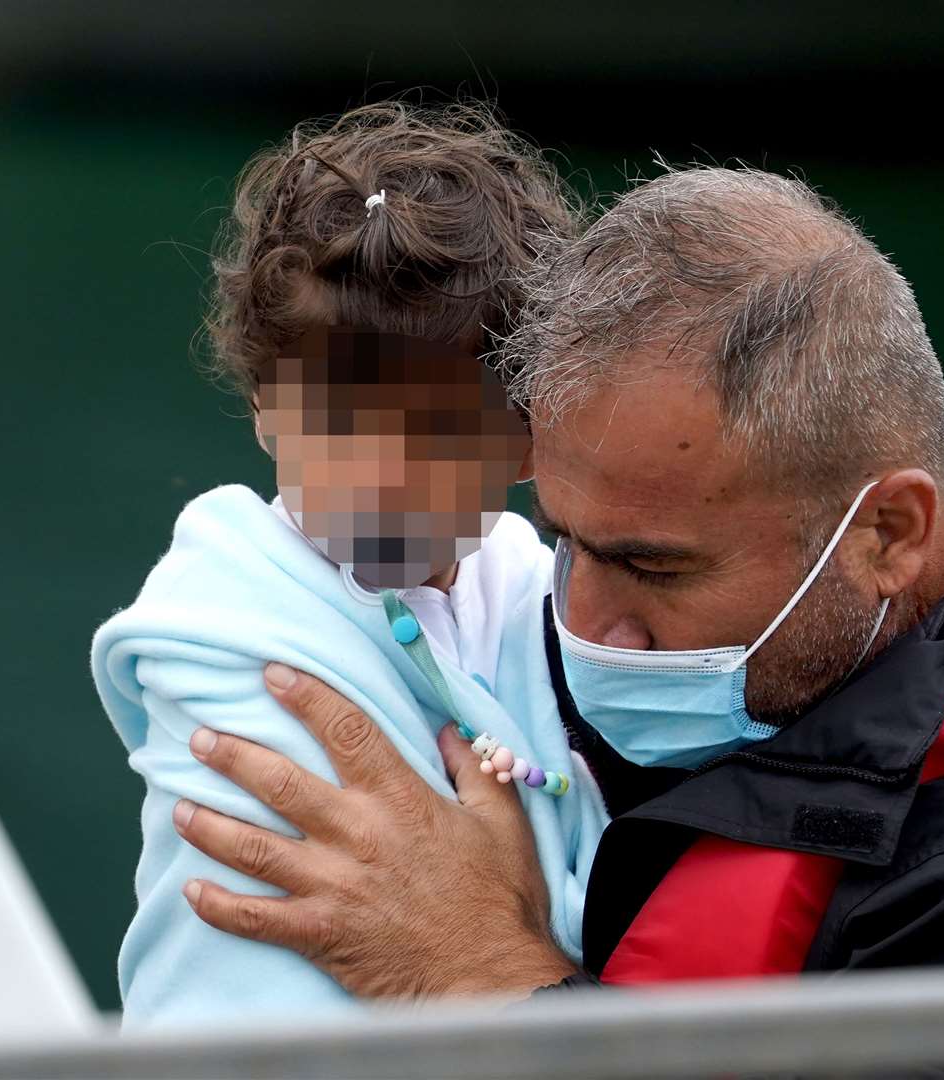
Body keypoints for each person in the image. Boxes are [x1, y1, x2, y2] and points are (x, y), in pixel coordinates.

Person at [169, 166, 944, 1079]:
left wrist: (487, 982)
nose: (588, 629)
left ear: (888, 532)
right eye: (565, 541)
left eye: (650, 565)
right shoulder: (739, 660)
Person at [89, 101, 608, 1028]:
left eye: (439, 434)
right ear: (262, 409)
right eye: (333, 424)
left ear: (529, 442)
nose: (379, 477)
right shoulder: (222, 617)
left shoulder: (544, 600)